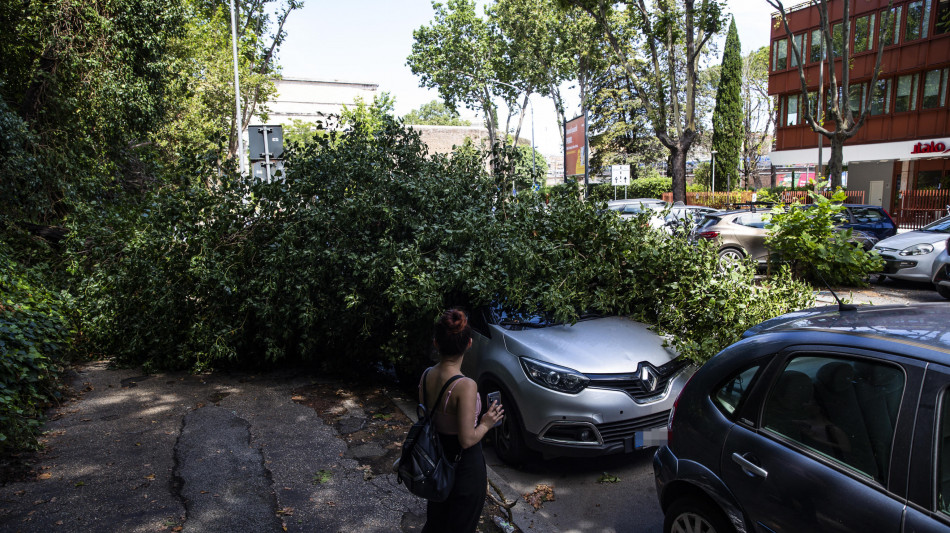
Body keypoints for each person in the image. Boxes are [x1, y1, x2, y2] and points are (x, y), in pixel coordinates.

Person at [420, 308, 504, 533]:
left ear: (436, 343)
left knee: (436, 522)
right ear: (469, 343)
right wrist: (486, 422)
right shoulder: (465, 385)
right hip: (464, 467)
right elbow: (467, 439)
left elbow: (426, 419)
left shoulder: (427, 375)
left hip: (436, 460)